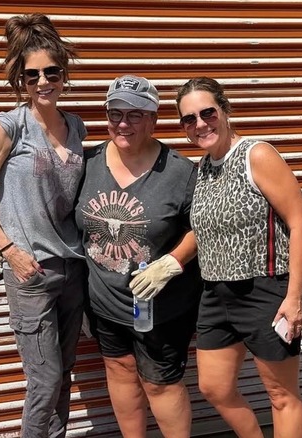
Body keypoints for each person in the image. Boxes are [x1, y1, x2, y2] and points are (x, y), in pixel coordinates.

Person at [0, 13, 86, 438]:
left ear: (63, 74)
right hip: (30, 274)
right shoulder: (8, 125)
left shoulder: (76, 126)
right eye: (32, 75)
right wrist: (10, 251)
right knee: (45, 379)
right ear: (21, 80)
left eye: (51, 72)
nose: (43, 82)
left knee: (64, 372)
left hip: (73, 269)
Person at [175, 77, 302, 438]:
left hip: (264, 290)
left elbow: (299, 223)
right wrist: (171, 261)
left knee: (281, 395)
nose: (200, 124)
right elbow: (204, 231)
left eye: (208, 113)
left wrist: (294, 296)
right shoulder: (202, 169)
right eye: (189, 119)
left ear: (225, 110)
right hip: (215, 293)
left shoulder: (257, 154)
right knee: (214, 387)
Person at [75, 75, 202, 438]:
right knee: (118, 369)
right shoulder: (88, 163)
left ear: (153, 119)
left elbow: (202, 226)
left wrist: (174, 261)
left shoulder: (179, 172)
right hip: (104, 303)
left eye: (135, 114)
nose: (123, 123)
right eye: (115, 113)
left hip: (160, 308)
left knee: (161, 383)